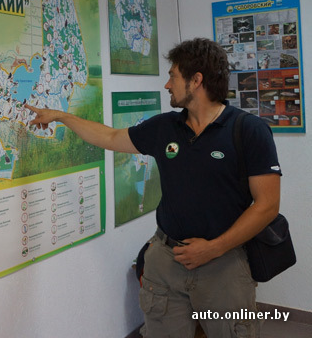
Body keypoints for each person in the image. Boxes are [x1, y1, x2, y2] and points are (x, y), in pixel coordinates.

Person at [25, 38, 281, 338]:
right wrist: (61, 116)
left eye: (173, 76)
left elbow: (267, 205)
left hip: (223, 265)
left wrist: (214, 248)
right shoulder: (165, 128)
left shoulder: (249, 130)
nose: (167, 85)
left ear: (196, 80)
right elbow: (110, 138)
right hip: (166, 262)